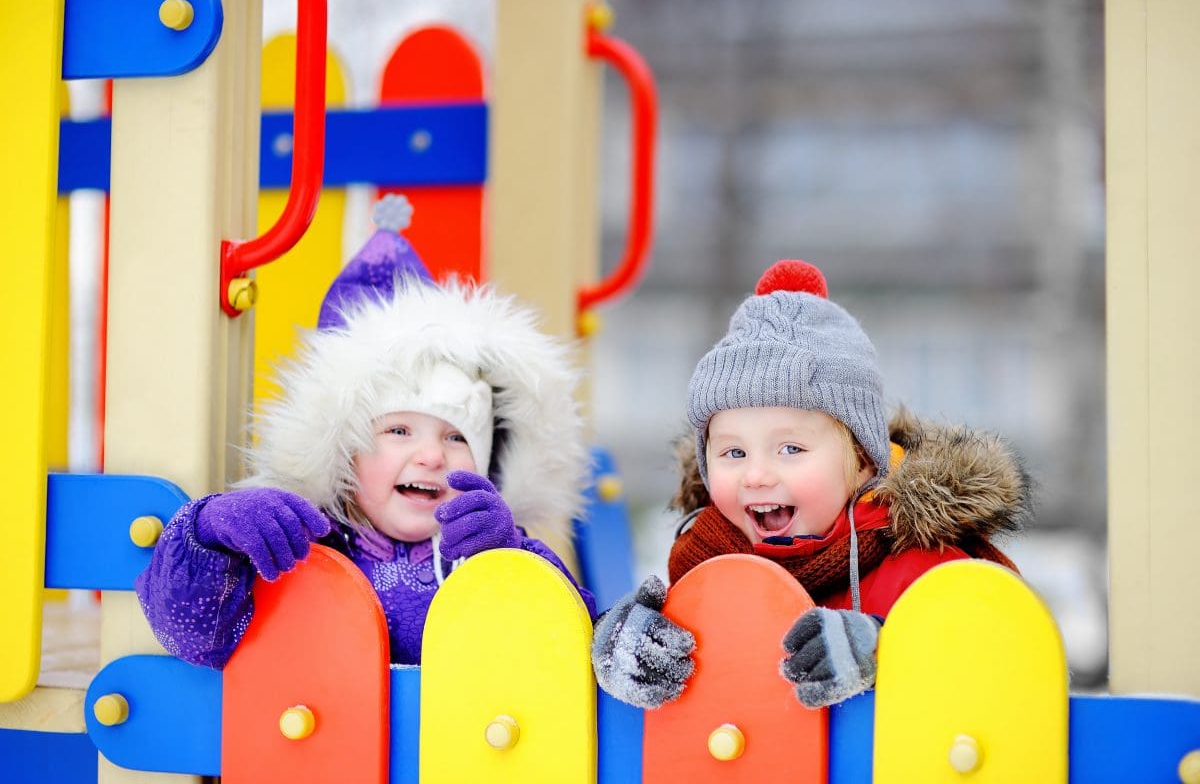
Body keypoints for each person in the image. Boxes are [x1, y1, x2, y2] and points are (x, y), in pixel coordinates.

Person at [136, 196, 596, 668]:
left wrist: (512, 560)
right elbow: (192, 635)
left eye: (457, 437)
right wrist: (210, 532)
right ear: (341, 451)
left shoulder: (488, 548)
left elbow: (568, 643)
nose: (433, 457)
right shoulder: (298, 550)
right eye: (399, 430)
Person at [592, 259, 1032, 709]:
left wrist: (886, 650)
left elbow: (1003, 665)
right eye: (733, 453)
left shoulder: (923, 564)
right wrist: (621, 653)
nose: (757, 475)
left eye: (790, 450)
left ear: (862, 461)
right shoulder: (703, 565)